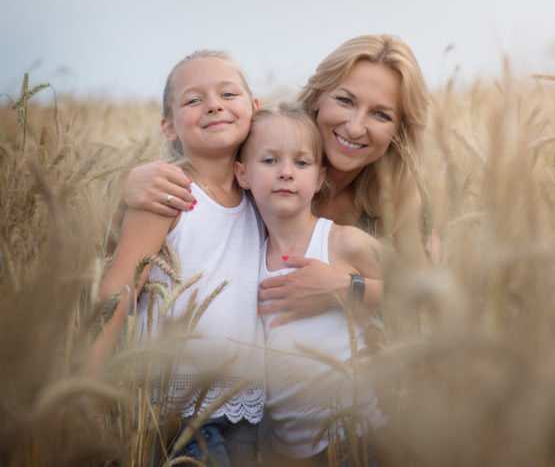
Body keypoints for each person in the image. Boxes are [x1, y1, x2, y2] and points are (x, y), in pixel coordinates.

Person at [121, 34, 431, 324]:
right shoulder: (265, 150)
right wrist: (125, 183)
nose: (354, 127)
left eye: (381, 115)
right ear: (319, 97)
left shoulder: (397, 195)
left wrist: (344, 290)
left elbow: (425, 297)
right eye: (346, 101)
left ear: (398, 131)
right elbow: (203, 168)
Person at [90, 50, 265, 466]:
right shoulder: (166, 192)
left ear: (254, 110)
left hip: (244, 401)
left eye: (228, 93)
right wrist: (87, 385)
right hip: (176, 405)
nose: (214, 104)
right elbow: (120, 287)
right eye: (193, 100)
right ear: (169, 127)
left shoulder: (262, 195)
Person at [234, 100, 385, 465]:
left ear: (318, 179)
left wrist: (351, 293)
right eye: (270, 161)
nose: (286, 172)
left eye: (301, 163)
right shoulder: (246, 259)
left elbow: (416, 294)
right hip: (291, 453)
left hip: (360, 438)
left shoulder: (342, 242)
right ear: (242, 175)